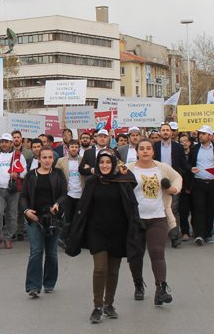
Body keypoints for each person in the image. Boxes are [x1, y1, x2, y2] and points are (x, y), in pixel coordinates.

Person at [65, 150, 143, 324]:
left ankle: (109, 304)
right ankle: (97, 306)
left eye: (108, 162)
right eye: (102, 162)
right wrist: (75, 231)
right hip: (97, 231)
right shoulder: (93, 181)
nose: (105, 165)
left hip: (118, 232)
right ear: (97, 165)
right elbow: (83, 206)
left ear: (114, 164)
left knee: (113, 270)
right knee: (100, 268)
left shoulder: (122, 181)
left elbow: (133, 184)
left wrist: (123, 169)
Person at [127, 141, 180, 304]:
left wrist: (173, 189)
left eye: (148, 148)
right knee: (136, 255)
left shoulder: (161, 168)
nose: (145, 151)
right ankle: (138, 285)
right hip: (136, 219)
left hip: (158, 217)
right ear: (137, 152)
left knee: (157, 252)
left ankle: (161, 289)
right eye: (141, 149)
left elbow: (177, 177)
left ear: (153, 152)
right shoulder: (129, 169)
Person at [20, 147, 67, 297]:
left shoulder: (58, 174)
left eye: (50, 157)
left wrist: (58, 204)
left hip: (54, 218)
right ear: (39, 159)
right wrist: (26, 210)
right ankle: (33, 286)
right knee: (36, 251)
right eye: (44, 157)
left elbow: (64, 194)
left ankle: (49, 283)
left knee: (52, 253)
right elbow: (23, 196)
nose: (47, 160)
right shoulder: (30, 175)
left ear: (53, 159)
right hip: (34, 218)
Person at [153, 123, 189, 248]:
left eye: (167, 130)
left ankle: (175, 237)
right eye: (163, 130)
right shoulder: (155, 146)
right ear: (160, 133)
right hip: (156, 181)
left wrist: (191, 170)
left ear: (171, 132)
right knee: (158, 209)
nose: (166, 132)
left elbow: (183, 165)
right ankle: (158, 236)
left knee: (173, 209)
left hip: (172, 182)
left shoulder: (178, 147)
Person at [0, 133, 27, 250]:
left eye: (6, 142)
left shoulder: (19, 155)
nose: (4, 144)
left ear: (11, 143)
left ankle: (8, 237)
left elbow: (25, 171)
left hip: (13, 190)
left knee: (12, 215)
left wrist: (18, 174)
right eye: (2, 142)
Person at [55, 139, 82, 244]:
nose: (74, 149)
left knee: (78, 218)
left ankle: (75, 239)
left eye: (76, 147)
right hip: (67, 194)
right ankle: (64, 238)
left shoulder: (83, 160)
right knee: (67, 218)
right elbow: (56, 177)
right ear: (68, 148)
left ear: (78, 148)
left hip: (80, 193)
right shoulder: (61, 161)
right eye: (72, 147)